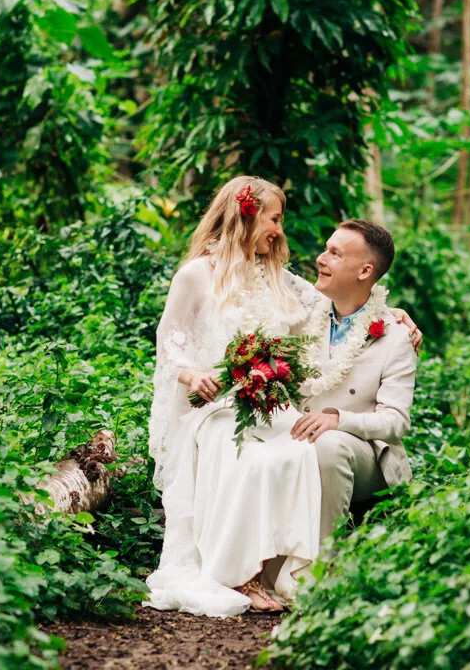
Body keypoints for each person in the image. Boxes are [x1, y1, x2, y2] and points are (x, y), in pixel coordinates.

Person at [146, 178, 421, 617]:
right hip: (216, 406)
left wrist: (394, 315)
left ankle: (293, 571)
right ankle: (242, 573)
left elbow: (341, 302)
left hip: (269, 405)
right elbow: (168, 340)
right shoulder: (196, 274)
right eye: (274, 218)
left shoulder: (278, 278)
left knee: (296, 454)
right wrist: (191, 373)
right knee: (250, 459)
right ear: (246, 216)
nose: (279, 229)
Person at [289, 220, 416, 542]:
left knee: (328, 446)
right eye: (325, 249)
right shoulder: (302, 315)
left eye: (335, 254)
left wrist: (338, 421)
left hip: (364, 453)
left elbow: (395, 420)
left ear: (364, 272)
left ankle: (322, 562)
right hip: (296, 436)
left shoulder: (396, 335)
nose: (320, 258)